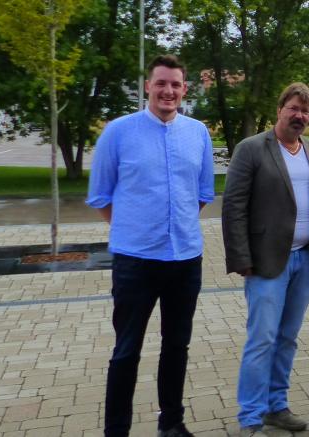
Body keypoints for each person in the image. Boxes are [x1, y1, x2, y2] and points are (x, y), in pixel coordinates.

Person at [86, 54, 214, 437]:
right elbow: (100, 196)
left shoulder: (198, 133)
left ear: (185, 89)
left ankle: (171, 423)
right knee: (126, 351)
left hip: (185, 260)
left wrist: (176, 226)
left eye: (175, 84)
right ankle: (117, 430)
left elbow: (202, 194)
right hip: (135, 263)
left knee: (177, 347)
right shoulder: (118, 132)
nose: (168, 91)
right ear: (147, 86)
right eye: (161, 83)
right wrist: (132, 230)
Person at [222, 82, 309, 437]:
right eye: (294, 108)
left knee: (287, 338)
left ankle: (276, 406)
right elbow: (234, 206)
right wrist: (240, 256)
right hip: (266, 263)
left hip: (305, 262)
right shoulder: (251, 149)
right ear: (280, 108)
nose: (299, 116)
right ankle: (251, 417)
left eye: (306, 111)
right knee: (262, 339)